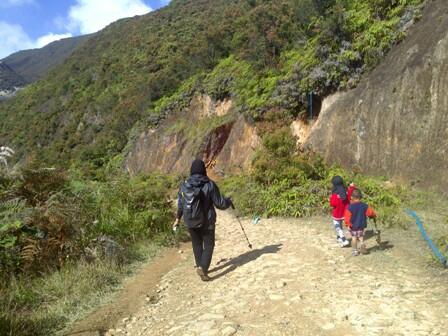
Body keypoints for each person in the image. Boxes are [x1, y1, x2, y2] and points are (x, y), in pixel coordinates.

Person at [173, 159, 232, 281]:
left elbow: (180, 205)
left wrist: (177, 219)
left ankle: (201, 267)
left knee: (197, 244)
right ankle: (203, 268)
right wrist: (229, 201)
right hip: (207, 221)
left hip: (190, 221)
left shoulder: (184, 185)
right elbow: (220, 204)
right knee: (209, 244)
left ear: (192, 170)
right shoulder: (209, 184)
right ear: (203, 170)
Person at [344, 188, 376, 256]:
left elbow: (347, 217)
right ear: (360, 197)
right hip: (361, 225)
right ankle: (362, 245)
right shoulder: (364, 205)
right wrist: (374, 215)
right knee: (361, 237)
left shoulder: (350, 207)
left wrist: (348, 225)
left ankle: (355, 251)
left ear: (352, 197)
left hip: (353, 226)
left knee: (354, 238)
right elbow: (370, 213)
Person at [329, 176, 354, 247]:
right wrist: (352, 187)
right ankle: (339, 237)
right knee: (346, 225)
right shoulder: (345, 191)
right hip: (345, 213)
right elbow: (350, 195)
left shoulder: (334, 194)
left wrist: (330, 198)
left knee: (337, 225)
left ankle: (343, 239)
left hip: (337, 213)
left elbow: (332, 204)